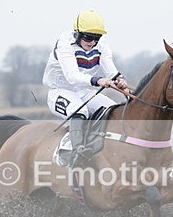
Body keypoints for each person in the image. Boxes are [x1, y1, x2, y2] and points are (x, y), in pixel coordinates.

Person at [42, 10, 129, 166]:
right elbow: (72, 77)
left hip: (84, 91)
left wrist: (119, 79)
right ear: (77, 34)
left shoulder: (101, 45)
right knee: (80, 110)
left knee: (112, 109)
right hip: (60, 91)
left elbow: (109, 67)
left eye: (97, 38)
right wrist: (99, 80)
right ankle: (76, 151)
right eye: (88, 37)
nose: (92, 42)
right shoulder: (65, 43)